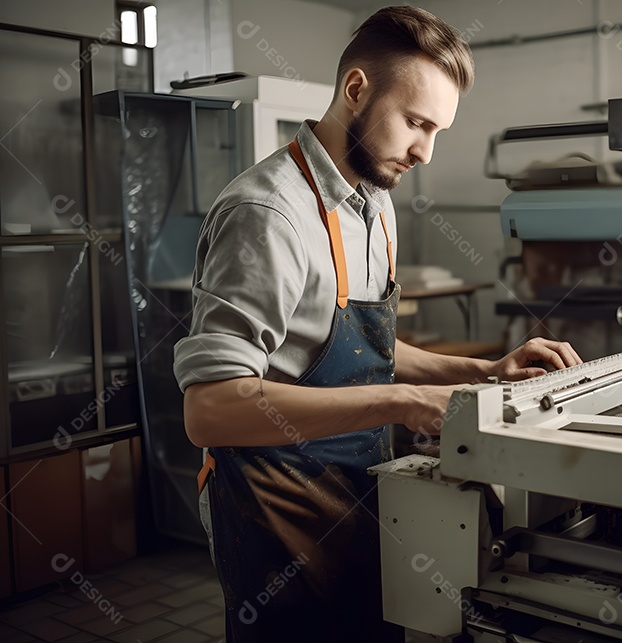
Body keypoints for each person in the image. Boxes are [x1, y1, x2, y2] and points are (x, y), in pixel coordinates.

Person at [173, 6, 582, 641]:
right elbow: (211, 408)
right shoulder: (268, 213)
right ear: (356, 89)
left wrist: (483, 370)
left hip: (359, 487)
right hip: (274, 505)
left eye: (438, 130)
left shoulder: (375, 203)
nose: (425, 151)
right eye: (416, 123)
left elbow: (364, 349)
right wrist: (403, 402)